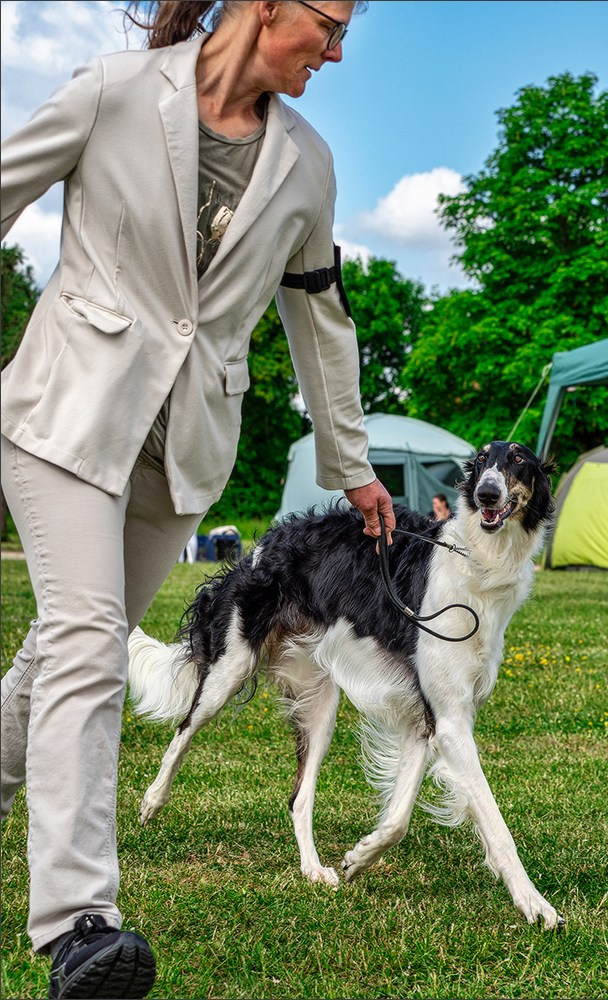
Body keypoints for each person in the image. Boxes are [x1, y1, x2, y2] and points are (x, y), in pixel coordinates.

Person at [0, 3, 394, 997]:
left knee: (61, 649)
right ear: (267, 5)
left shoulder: (307, 164)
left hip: (180, 449)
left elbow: (321, 318)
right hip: (65, 413)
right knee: (89, 642)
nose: (337, 50)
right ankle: (79, 924)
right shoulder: (113, 93)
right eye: (329, 23)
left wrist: (351, 458)